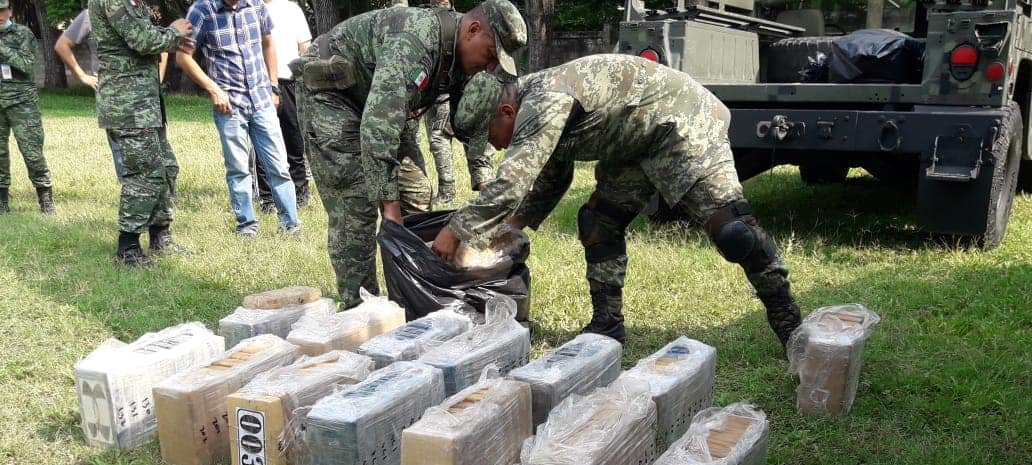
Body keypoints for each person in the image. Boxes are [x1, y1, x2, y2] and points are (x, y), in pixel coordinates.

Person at [434, 56, 803, 350]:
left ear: (506, 113)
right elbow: (552, 177)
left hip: (682, 121)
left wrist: (455, 232)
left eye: (490, 138)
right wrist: (513, 226)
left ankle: (790, 323)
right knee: (599, 224)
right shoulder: (535, 106)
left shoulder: (545, 100)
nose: (494, 148)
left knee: (734, 232)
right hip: (634, 142)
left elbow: (511, 181)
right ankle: (607, 325)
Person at [291, 0, 526, 308]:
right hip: (333, 97)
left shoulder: (464, 59)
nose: (491, 66)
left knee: (416, 192)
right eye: (492, 55)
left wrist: (483, 184)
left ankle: (413, 295)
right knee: (356, 206)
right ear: (473, 30)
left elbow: (472, 123)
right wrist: (390, 211)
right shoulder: (416, 42)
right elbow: (378, 128)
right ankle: (361, 309)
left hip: (385, 105)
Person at [177, 0, 301, 237]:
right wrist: (213, 89)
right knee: (238, 169)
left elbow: (268, 43)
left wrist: (273, 86)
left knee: (279, 166)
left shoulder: (256, 6)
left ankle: (290, 224)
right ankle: (247, 226)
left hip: (261, 100)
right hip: (229, 105)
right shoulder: (202, 11)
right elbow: (183, 57)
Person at [90, 0, 190, 265]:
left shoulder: (136, 3)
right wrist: (175, 32)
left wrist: (170, 40)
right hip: (127, 105)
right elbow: (142, 40)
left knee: (166, 169)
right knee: (143, 175)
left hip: (146, 104)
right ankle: (128, 248)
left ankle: (160, 238)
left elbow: (149, 38)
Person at [55, 8, 172, 182]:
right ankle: (132, 190)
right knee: (122, 152)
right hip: (115, 98)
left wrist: (159, 77)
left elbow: (162, 44)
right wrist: (82, 76)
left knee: (159, 145)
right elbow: (62, 45)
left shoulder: (140, 10)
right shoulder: (91, 14)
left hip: (147, 95)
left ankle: (166, 191)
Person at [254, 0, 311, 212]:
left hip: (291, 82)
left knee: (295, 140)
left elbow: (304, 47)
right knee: (264, 140)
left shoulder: (292, 9)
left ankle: (300, 192)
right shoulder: (249, 8)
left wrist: (307, 80)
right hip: (261, 83)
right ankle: (267, 198)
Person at [0, 0, 54, 215]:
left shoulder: (23, 34)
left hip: (22, 102)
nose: (0, 14)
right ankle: (2, 201)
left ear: (10, 10)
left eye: (2, 10)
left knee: (32, 152)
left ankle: (45, 197)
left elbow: (25, 64)